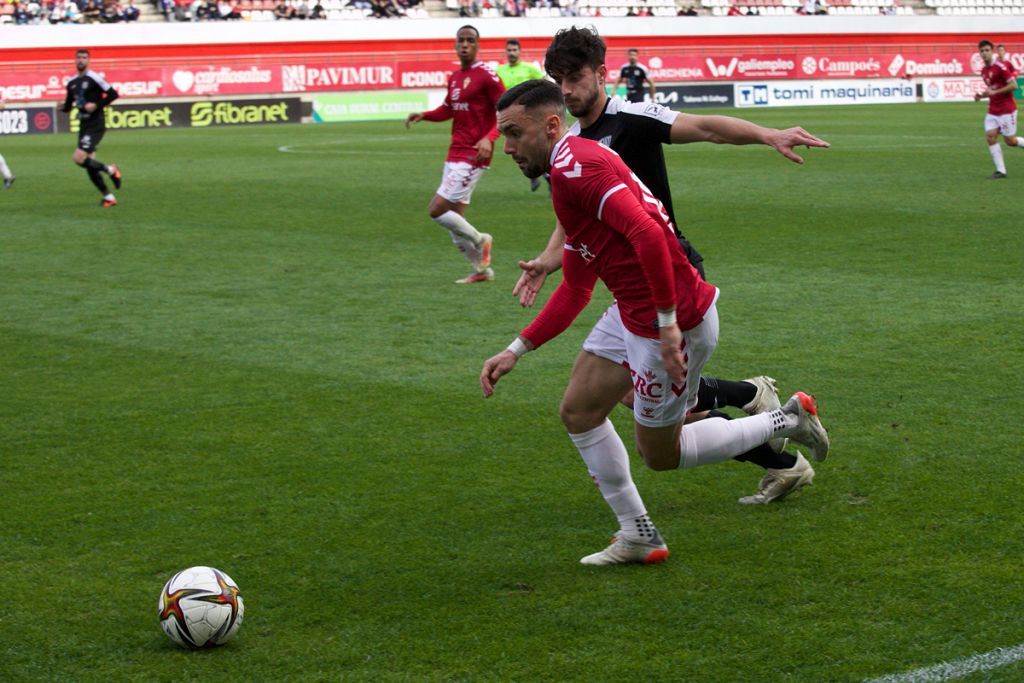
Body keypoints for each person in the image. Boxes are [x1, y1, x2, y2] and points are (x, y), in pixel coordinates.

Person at [481, 79, 830, 565]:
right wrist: (515, 350)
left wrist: (667, 325)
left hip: (672, 319)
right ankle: (638, 534)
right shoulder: (569, 169)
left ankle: (786, 417)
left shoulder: (578, 168)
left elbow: (646, 232)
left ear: (552, 125)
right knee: (580, 412)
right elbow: (578, 288)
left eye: (514, 134)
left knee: (661, 454)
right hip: (635, 311)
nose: (508, 147)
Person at [405, 26, 504, 284]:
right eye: (461, 40)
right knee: (454, 221)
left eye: (470, 40)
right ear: (455, 45)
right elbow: (448, 109)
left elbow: (505, 111)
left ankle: (481, 239)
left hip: (474, 154)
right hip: (454, 153)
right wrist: (424, 115)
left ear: (478, 45)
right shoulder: (455, 77)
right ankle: (482, 272)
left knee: (437, 210)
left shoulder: (487, 76)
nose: (465, 45)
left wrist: (489, 138)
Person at [61, 49, 122, 207]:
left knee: (78, 158)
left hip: (96, 123)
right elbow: (68, 106)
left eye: (84, 58)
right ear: (75, 60)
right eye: (78, 58)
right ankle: (109, 197)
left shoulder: (94, 78)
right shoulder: (72, 83)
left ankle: (110, 169)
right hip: (84, 124)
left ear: (88, 60)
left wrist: (96, 105)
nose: (81, 60)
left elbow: (113, 94)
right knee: (89, 164)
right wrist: (62, 106)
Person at [496, 39, 547, 192]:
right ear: (506, 52)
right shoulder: (500, 70)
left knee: (529, 145)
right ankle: (539, 174)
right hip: (507, 118)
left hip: (527, 116)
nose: (511, 53)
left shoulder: (529, 69)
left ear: (519, 52)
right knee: (517, 148)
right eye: (509, 50)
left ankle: (539, 174)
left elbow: (544, 83)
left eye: (514, 50)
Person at [974, 40, 1023, 179]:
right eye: (982, 51)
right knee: (990, 137)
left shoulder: (1000, 67)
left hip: (1007, 110)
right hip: (993, 110)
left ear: (992, 51)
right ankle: (1001, 171)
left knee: (1010, 141)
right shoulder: (984, 71)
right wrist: (981, 95)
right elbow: (991, 88)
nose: (984, 53)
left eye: (987, 50)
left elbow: (1014, 85)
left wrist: (996, 93)